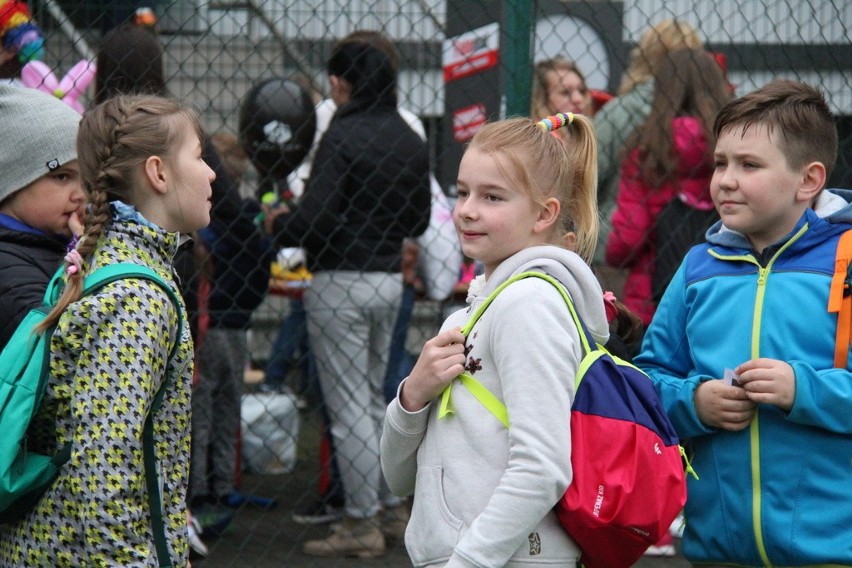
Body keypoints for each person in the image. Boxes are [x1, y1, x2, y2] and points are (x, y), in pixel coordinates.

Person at [634, 80, 851, 566]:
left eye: (749, 165)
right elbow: (647, 379)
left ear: (808, 181)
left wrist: (802, 389)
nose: (725, 180)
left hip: (834, 551)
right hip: (718, 549)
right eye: (720, 163)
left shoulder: (847, 261)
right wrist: (695, 402)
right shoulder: (696, 268)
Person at [381, 112, 607, 567]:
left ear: (544, 214)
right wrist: (412, 397)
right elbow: (398, 478)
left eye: (493, 197)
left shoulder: (528, 306)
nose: (467, 209)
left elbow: (542, 468)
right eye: (463, 192)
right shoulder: (470, 314)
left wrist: (466, 562)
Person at [0, 94, 215, 566]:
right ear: (158, 173)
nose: (211, 173)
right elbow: (104, 465)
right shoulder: (137, 298)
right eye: (199, 156)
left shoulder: (101, 262)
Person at [263, 30, 431, 557]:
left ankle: (360, 521)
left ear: (342, 82)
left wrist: (281, 224)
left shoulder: (342, 134)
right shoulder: (409, 137)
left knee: (348, 406)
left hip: (339, 282)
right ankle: (389, 507)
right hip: (388, 281)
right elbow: (421, 218)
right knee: (382, 398)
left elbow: (317, 217)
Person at [605, 49, 731, 327]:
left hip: (655, 302)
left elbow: (626, 240)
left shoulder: (647, 150)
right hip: (723, 292)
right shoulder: (730, 148)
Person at [593, 19, 704, 289]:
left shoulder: (618, 112)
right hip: (695, 247)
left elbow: (588, 179)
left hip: (619, 252)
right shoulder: (707, 116)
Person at [0, 83, 84, 351]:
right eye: (62, 177)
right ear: (13, 181)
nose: (81, 194)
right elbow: (62, 352)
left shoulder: (46, 243)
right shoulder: (11, 275)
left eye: (86, 179)